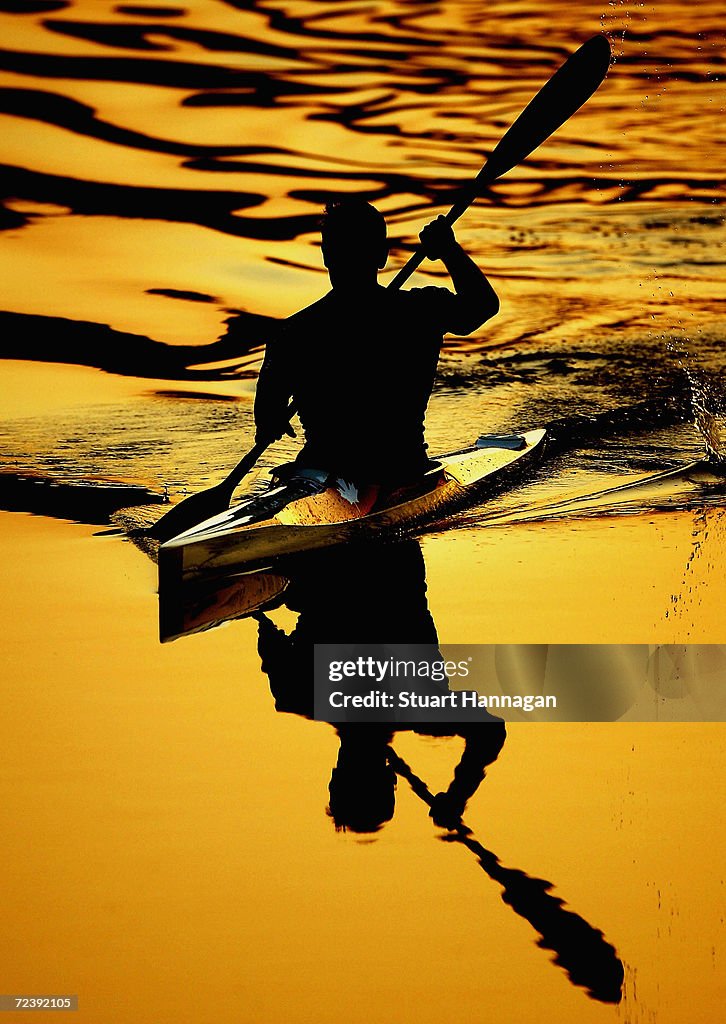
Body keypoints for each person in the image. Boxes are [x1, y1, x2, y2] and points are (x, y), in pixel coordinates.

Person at [254, 197, 499, 484]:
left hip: (324, 471)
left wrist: (271, 419)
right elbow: (482, 305)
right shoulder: (420, 312)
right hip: (397, 466)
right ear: (382, 255)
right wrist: (449, 251)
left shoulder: (292, 334)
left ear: (326, 255)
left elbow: (267, 417)